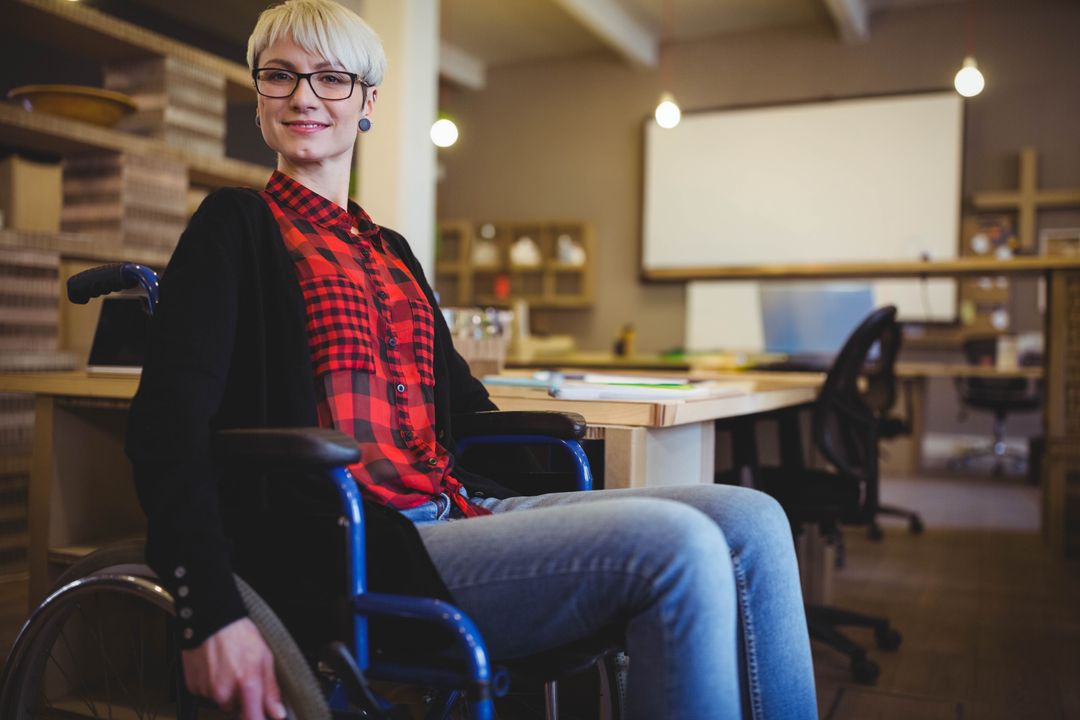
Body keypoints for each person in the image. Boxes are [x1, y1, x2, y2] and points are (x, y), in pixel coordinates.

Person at [125, 1, 818, 718]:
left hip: (459, 505)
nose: (304, 96)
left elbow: (466, 409)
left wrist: (564, 490)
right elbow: (166, 429)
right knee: (678, 546)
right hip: (356, 543)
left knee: (752, 519)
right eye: (281, 76)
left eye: (331, 78)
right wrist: (207, 609)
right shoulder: (235, 227)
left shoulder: (391, 251)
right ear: (259, 96)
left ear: (367, 102)